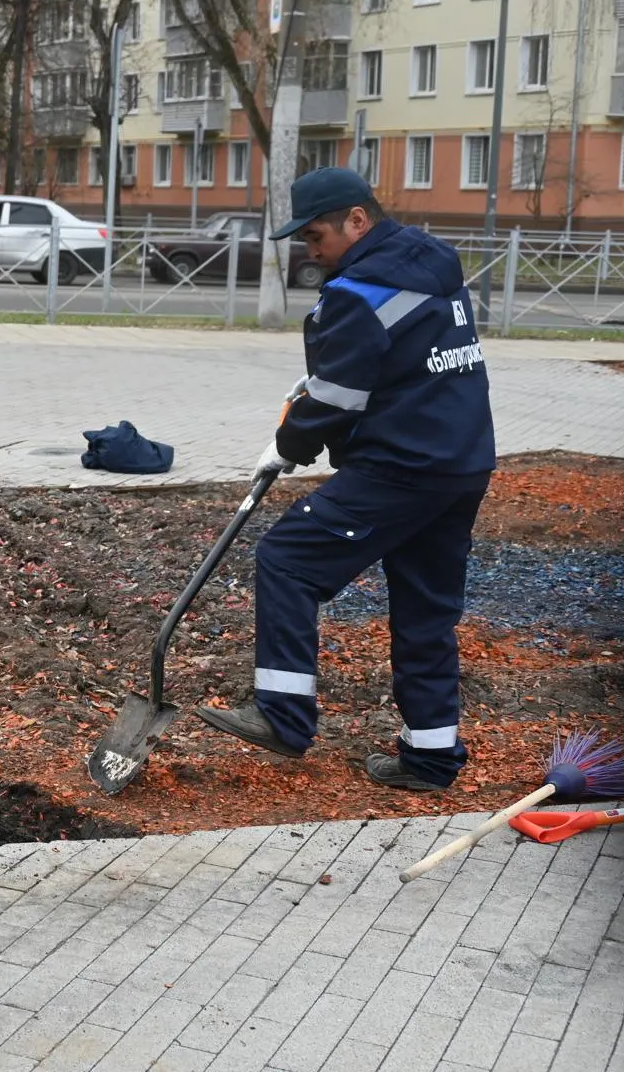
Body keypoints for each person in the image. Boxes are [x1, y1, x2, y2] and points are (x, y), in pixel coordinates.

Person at [192, 167, 496, 792]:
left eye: (316, 236)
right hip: (461, 463)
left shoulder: (358, 290)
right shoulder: (430, 267)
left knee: (287, 558)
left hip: (401, 467)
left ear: (358, 220)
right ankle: (431, 759)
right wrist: (317, 392)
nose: (312, 251)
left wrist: (288, 442)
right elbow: (402, 360)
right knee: (426, 610)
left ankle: (283, 714)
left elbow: (338, 399)